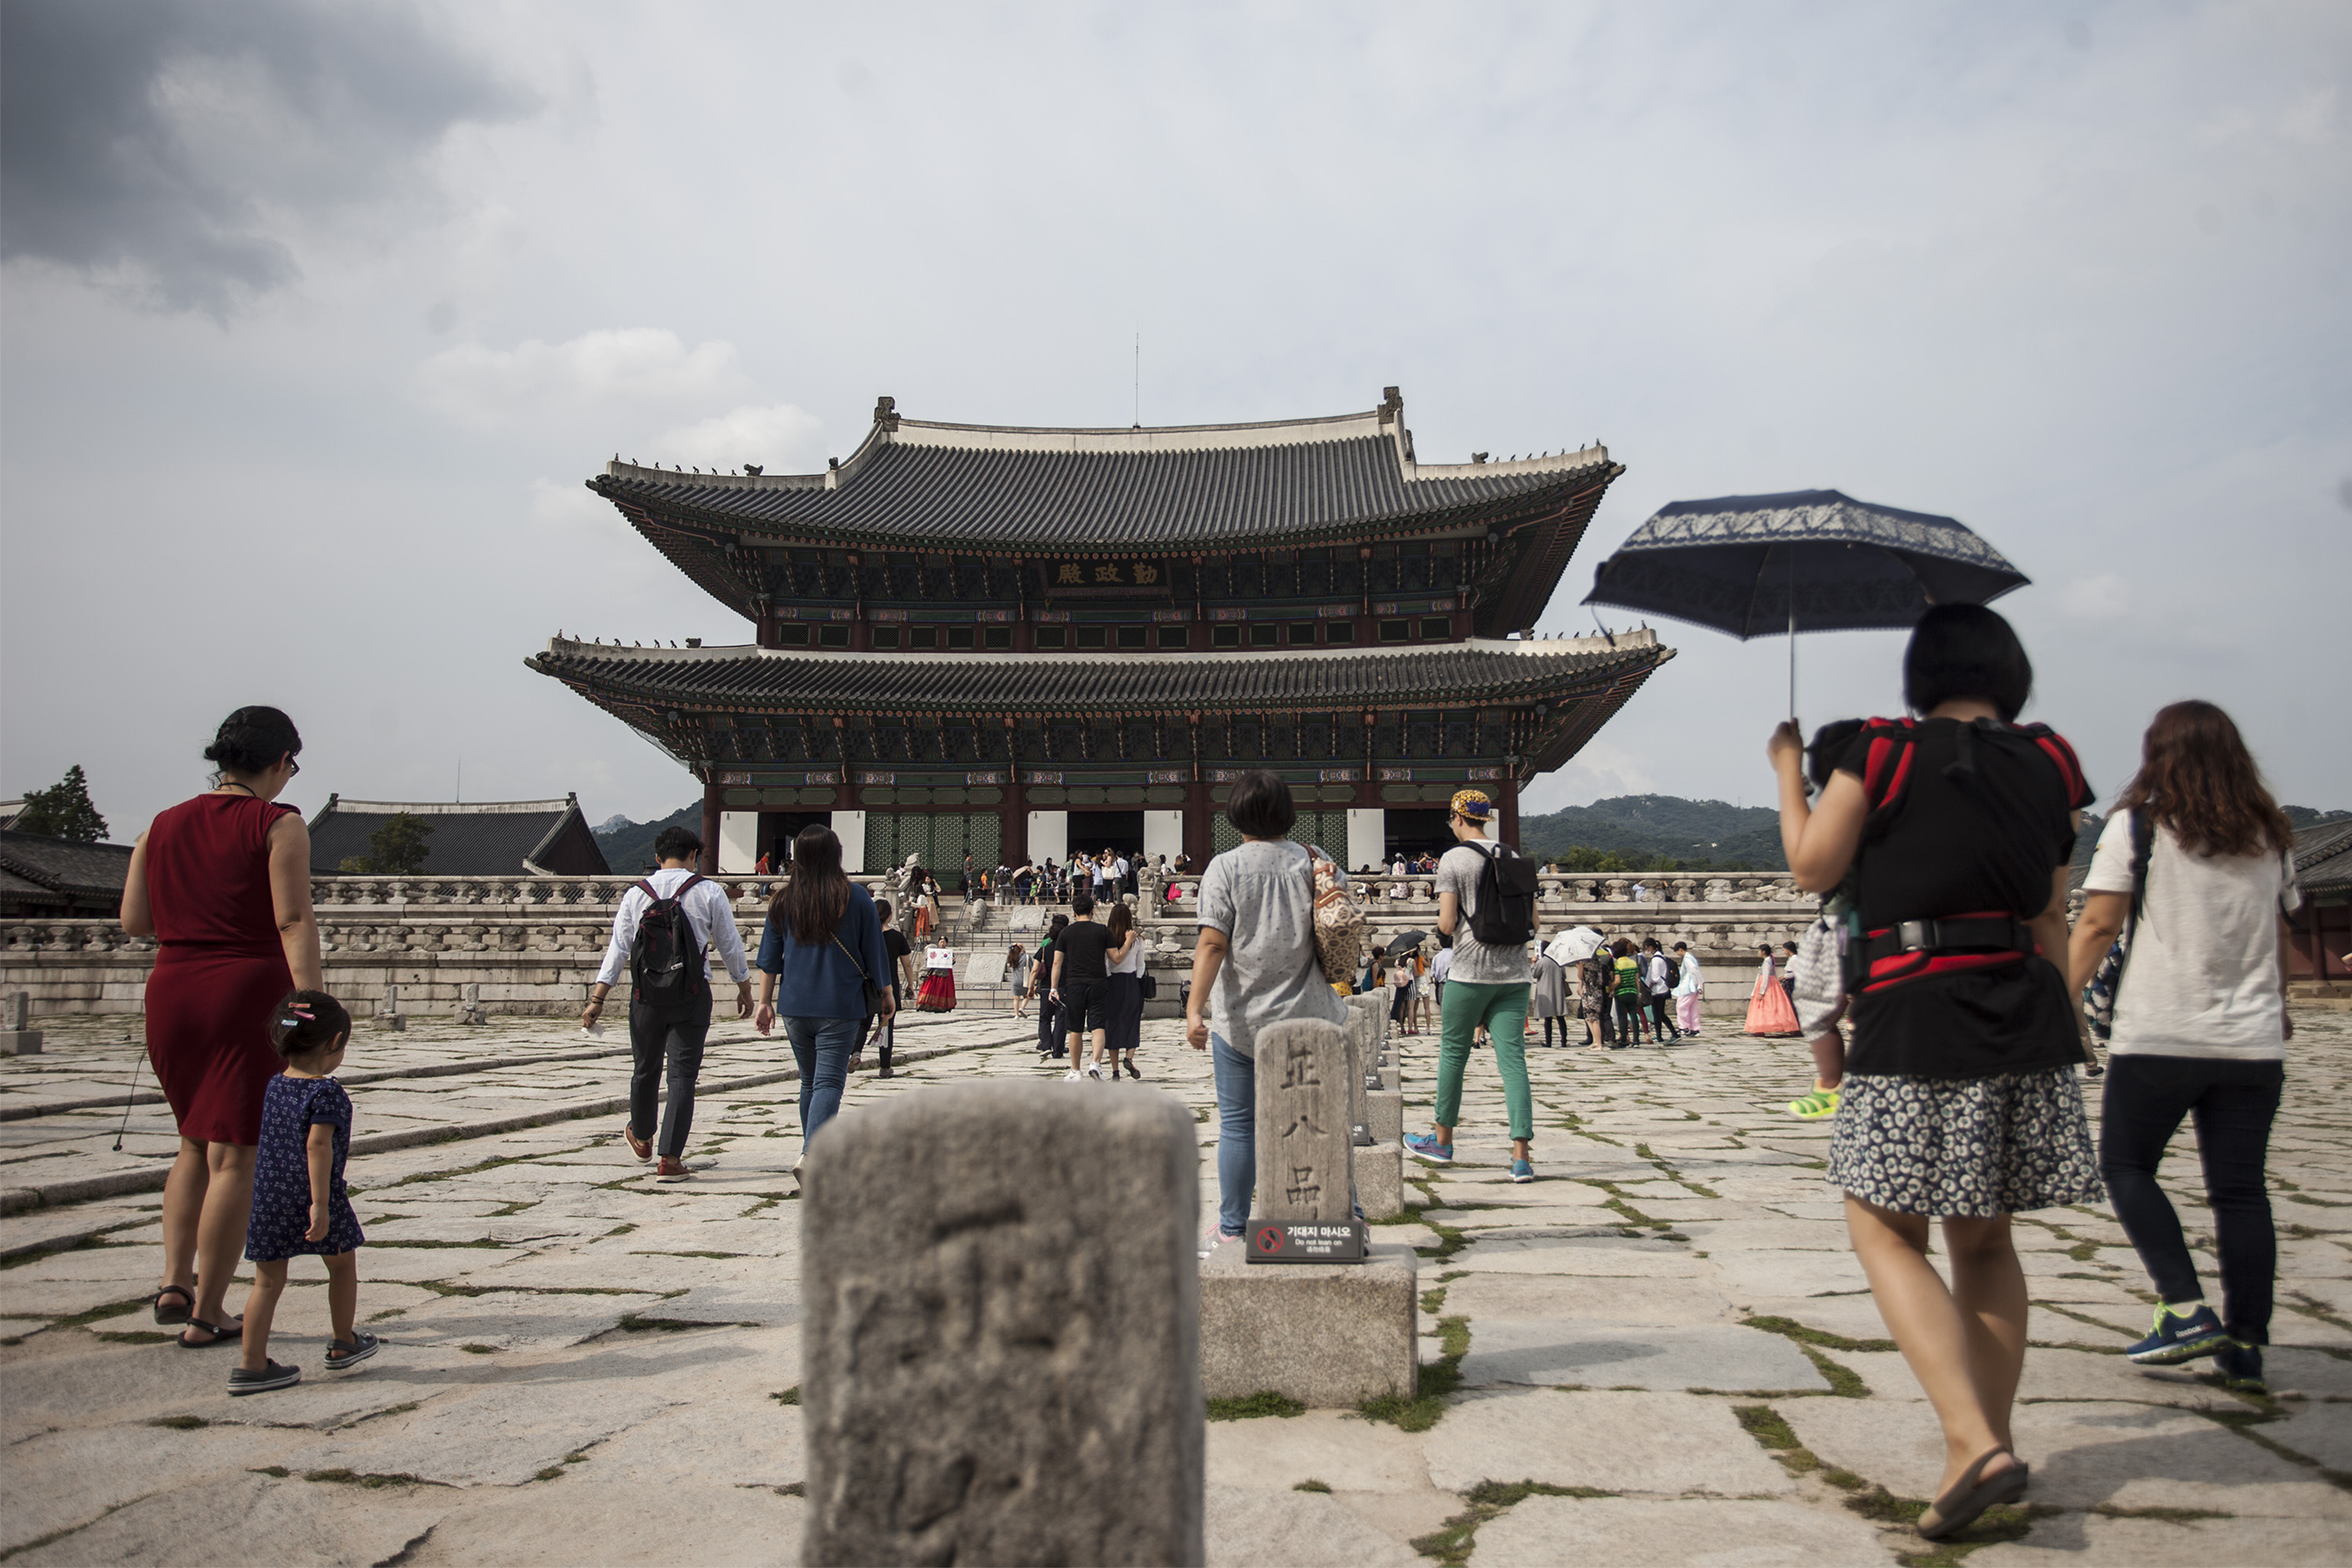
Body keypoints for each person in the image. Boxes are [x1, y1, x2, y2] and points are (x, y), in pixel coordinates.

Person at [1771, 601, 2099, 1541]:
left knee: (1881, 1222)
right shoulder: (2052, 761)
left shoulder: (1878, 751)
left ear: (1921, 676)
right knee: (1986, 1239)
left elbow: (1810, 865)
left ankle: (1971, 1441)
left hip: (1918, 1008)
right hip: (2024, 1007)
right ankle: (1983, 1446)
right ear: (2010, 673)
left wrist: (1790, 773)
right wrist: (2071, 1034)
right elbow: (2050, 911)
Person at [2067, 701, 2298, 1394]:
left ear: (2157, 755)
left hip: (2162, 1031)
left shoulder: (2138, 827)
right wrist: (2277, 1006)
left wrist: (2057, 1001)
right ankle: (2248, 1343)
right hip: (2252, 1039)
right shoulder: (2273, 836)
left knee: (2127, 1165)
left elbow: (2100, 922)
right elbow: (2280, 935)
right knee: (2240, 1190)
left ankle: (2187, 1304)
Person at [120, 706, 321, 1348]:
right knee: (236, 1151)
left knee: (191, 1142)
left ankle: (175, 1281)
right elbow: (292, 920)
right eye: (292, 765)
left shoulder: (162, 824)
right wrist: (311, 1001)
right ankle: (210, 1309)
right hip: (245, 991)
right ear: (278, 763)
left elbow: (134, 921)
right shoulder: (277, 823)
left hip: (173, 987)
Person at [1186, 771, 1352, 1248]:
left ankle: (1234, 1228)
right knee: (1322, 1121)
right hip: (1311, 1017)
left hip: (1242, 1024)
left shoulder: (1226, 868)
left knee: (1239, 1126)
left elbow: (1213, 943)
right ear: (1287, 812)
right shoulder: (1319, 862)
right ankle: (1347, 1214)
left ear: (1236, 814)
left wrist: (1195, 1012)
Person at [584, 826, 753, 1182]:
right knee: (682, 1076)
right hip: (691, 995)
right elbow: (728, 942)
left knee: (645, 1069)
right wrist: (744, 987)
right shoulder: (708, 891)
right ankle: (671, 1159)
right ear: (695, 855)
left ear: (658, 857)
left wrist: (598, 997)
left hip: (645, 995)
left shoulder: (635, 894)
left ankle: (643, 1137)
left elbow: (619, 948)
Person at [230, 989, 374, 1395]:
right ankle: (344, 1340)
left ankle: (251, 1365)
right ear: (334, 1043)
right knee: (342, 1265)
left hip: (269, 1196)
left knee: (267, 1283)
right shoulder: (326, 1091)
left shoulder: (275, 1085)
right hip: (313, 1195)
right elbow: (317, 1145)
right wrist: (321, 1203)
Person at [1405, 789, 1541, 1183]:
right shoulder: (1514, 856)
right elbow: (1534, 921)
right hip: (1514, 975)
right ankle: (1521, 1157)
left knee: (1453, 1055)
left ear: (1458, 818)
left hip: (1469, 972)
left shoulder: (1453, 859)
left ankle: (1443, 1142)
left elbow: (1447, 925)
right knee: (1513, 1062)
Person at [753, 826, 894, 1178]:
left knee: (809, 1081)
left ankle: (811, 1151)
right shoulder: (855, 897)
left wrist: (763, 1002)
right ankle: (812, 1154)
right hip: (840, 1004)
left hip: (795, 1005)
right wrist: (887, 993)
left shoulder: (783, 900)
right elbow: (874, 952)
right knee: (829, 1083)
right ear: (836, 855)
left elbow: (770, 959)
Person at [1051, 894, 1120, 1080]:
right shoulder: (1102, 931)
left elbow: (1057, 963)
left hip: (1074, 984)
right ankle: (1096, 1063)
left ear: (1074, 913)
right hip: (1098, 983)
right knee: (1098, 1027)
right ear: (1092, 911)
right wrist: (1129, 942)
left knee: (1076, 1029)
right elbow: (1116, 958)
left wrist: (1053, 988)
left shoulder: (1066, 933)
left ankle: (1075, 1070)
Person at [1105, 902, 1147, 1079]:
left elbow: (1106, 964)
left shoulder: (1107, 938)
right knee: (1132, 1022)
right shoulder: (1137, 940)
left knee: (1112, 1025)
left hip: (1111, 983)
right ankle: (1129, 1057)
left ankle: (1115, 1071)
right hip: (1130, 982)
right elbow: (1140, 966)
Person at [873, 900, 915, 1077]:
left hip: (867, 983)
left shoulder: (866, 935)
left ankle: (855, 1053)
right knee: (886, 1025)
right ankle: (884, 1067)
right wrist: (911, 985)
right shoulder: (896, 937)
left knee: (860, 1023)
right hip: (889, 982)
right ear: (890, 915)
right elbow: (907, 964)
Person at [1030, 913, 1069, 1057]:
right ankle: (1058, 1049)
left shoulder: (1045, 945)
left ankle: (1046, 1045)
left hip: (1046, 986)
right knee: (1061, 1019)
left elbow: (1035, 968)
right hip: (1063, 986)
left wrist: (1031, 985)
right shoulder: (1068, 946)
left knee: (1045, 1017)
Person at [1744, 943, 1801, 1036]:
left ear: (1763, 952)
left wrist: (1761, 992)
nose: (1758, 953)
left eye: (1759, 951)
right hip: (1772, 983)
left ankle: (1760, 1028)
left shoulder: (1767, 962)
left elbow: (1766, 977)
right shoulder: (1769, 960)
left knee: (1764, 1006)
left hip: (1768, 985)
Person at [1610, 938, 1649, 1044]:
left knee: (1622, 1016)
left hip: (1621, 992)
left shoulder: (1617, 964)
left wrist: (1611, 987)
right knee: (1634, 1014)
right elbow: (1637, 979)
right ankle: (1636, 1039)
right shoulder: (1633, 963)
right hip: (1632, 991)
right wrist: (1638, 993)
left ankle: (1624, 1038)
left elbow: (1617, 980)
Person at [1644, 938, 1682, 1042]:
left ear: (1650, 947)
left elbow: (1655, 977)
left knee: (1659, 1014)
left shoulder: (1656, 959)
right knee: (1659, 1014)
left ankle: (1673, 1034)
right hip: (1663, 989)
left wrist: (1648, 987)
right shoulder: (1662, 957)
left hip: (1658, 990)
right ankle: (1660, 1035)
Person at [1671, 942, 1706, 1036]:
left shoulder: (1687, 959)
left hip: (1688, 987)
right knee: (1693, 1008)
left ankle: (1683, 1027)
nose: (1678, 954)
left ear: (1681, 950)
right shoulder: (1691, 958)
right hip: (1692, 987)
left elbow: (1694, 972)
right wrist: (1699, 985)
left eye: (1678, 952)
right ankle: (1695, 1028)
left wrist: (1698, 984)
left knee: (1681, 1006)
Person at [916, 943, 957, 1013]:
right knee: (929, 989)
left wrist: (953, 961)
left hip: (944, 974)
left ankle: (942, 1007)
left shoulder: (948, 952)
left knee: (943, 991)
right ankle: (926, 1005)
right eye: (941, 942)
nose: (942, 944)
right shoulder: (934, 952)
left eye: (944, 942)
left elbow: (951, 963)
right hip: (934, 974)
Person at [1004, 943, 1032, 1018]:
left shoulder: (1012, 957)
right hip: (1024, 980)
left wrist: (1015, 944)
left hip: (1015, 981)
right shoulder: (1027, 957)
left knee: (1016, 999)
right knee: (1027, 996)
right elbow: (1032, 967)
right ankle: (1022, 1008)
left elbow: (1008, 947)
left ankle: (1016, 1015)